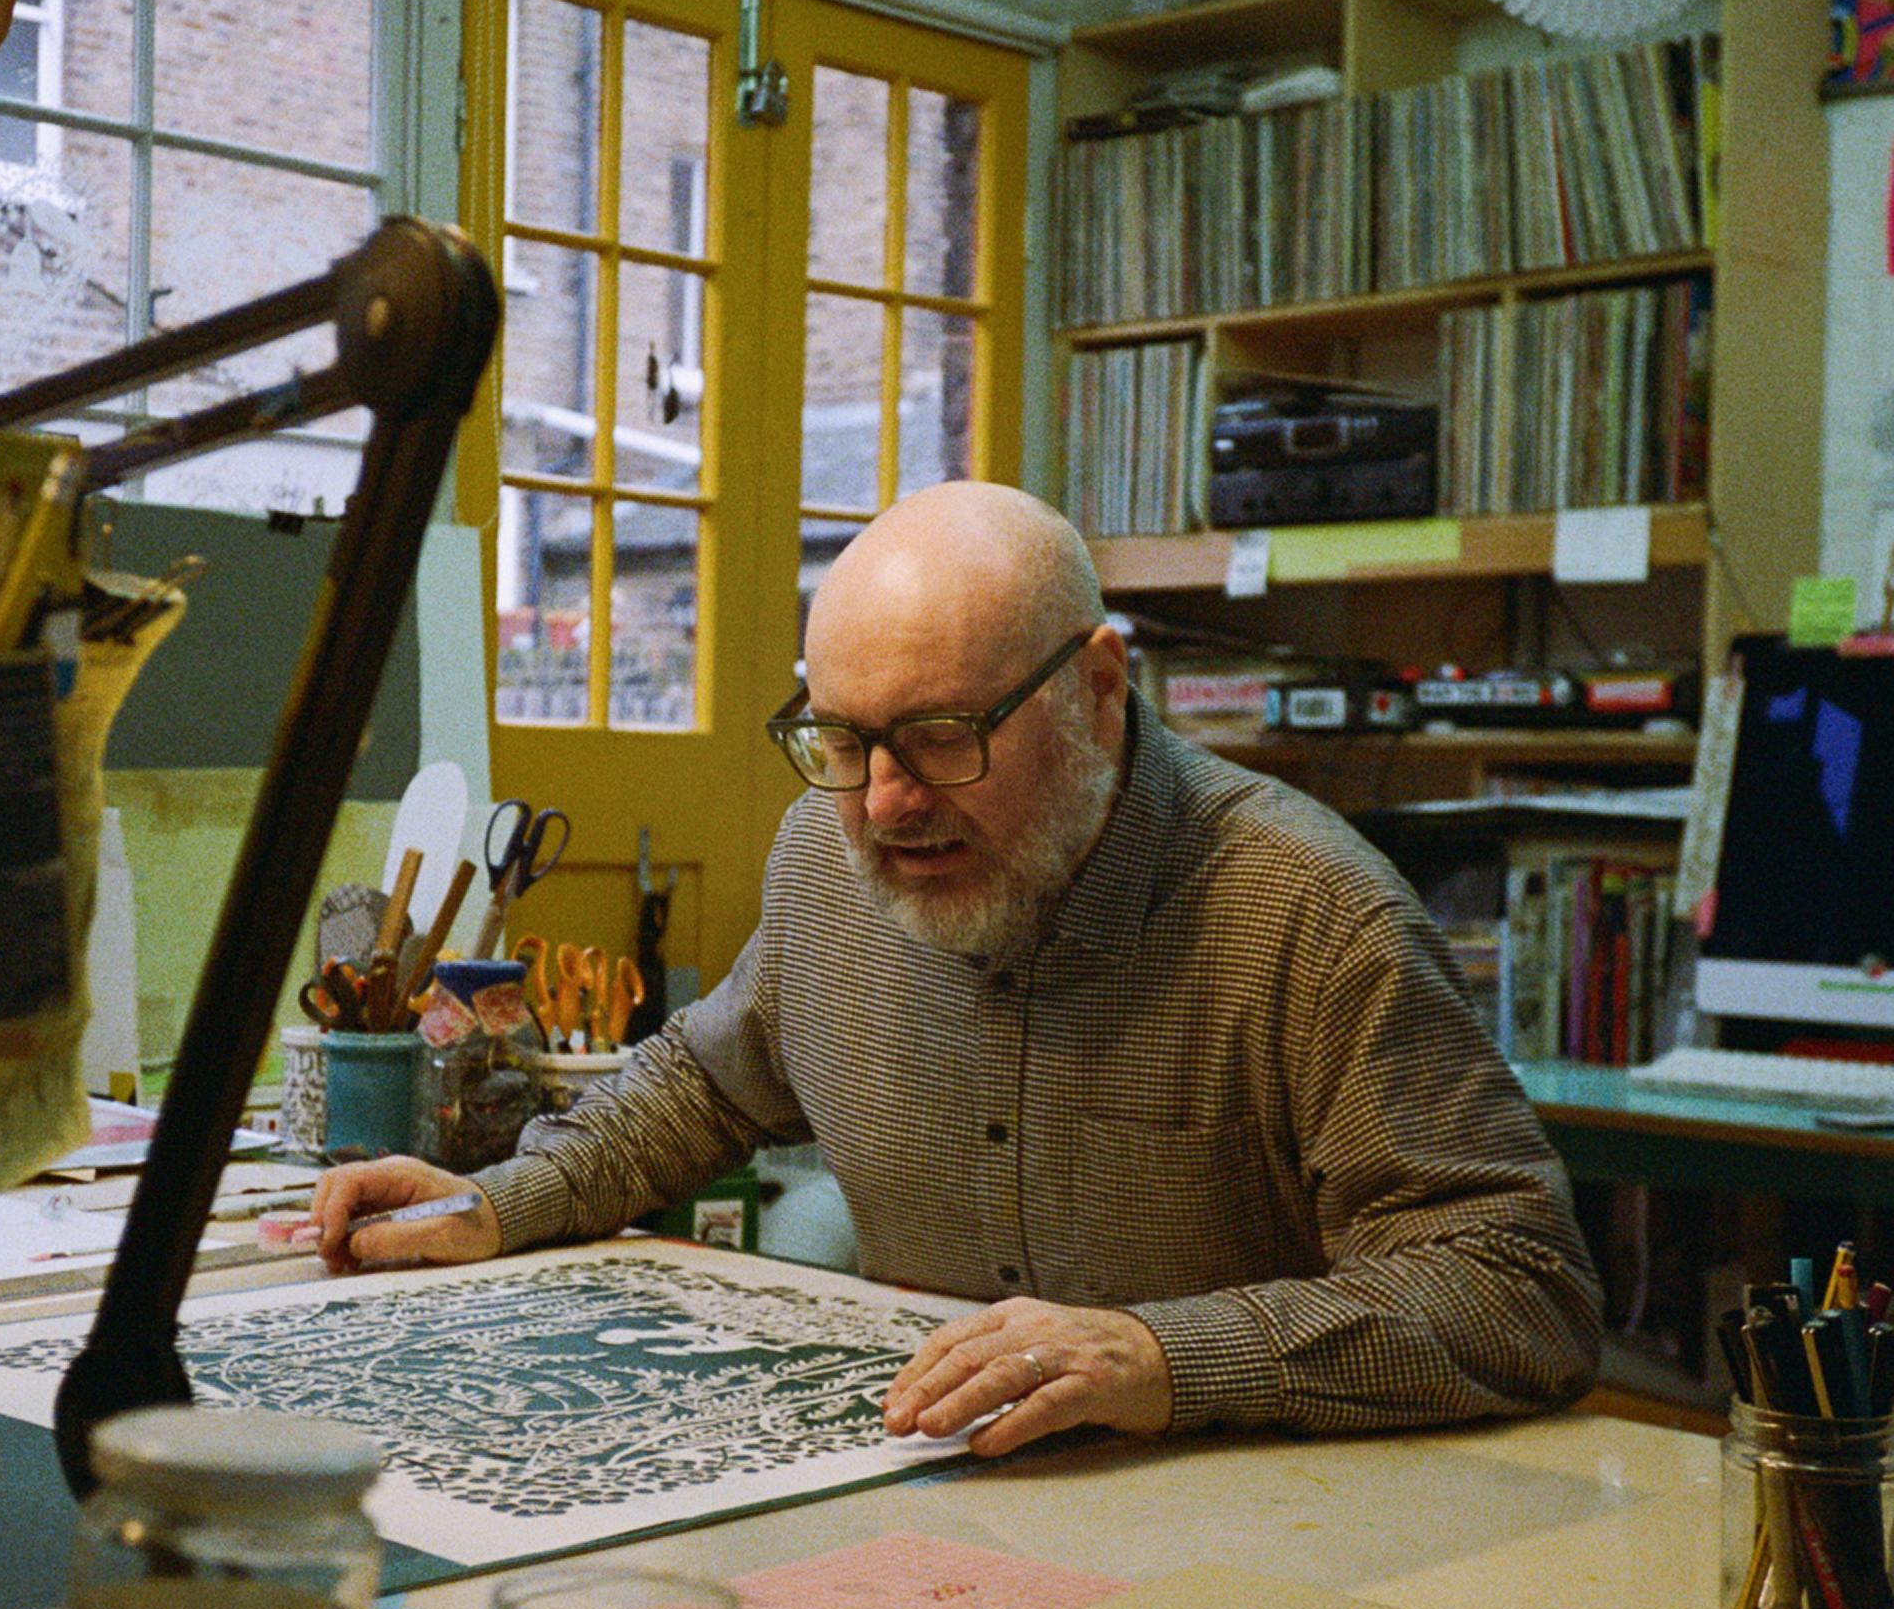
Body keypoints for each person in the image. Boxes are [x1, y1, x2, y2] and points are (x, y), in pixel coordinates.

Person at [297, 482, 1600, 1452]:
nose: (887, 803)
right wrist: (503, 1200)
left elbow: (1519, 1289)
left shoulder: (1311, 920)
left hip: (1254, 1528)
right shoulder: (828, 855)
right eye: (844, 740)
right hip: (925, 1492)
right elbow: (701, 1083)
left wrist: (1162, 1352)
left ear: (1099, 688)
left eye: (938, 735)